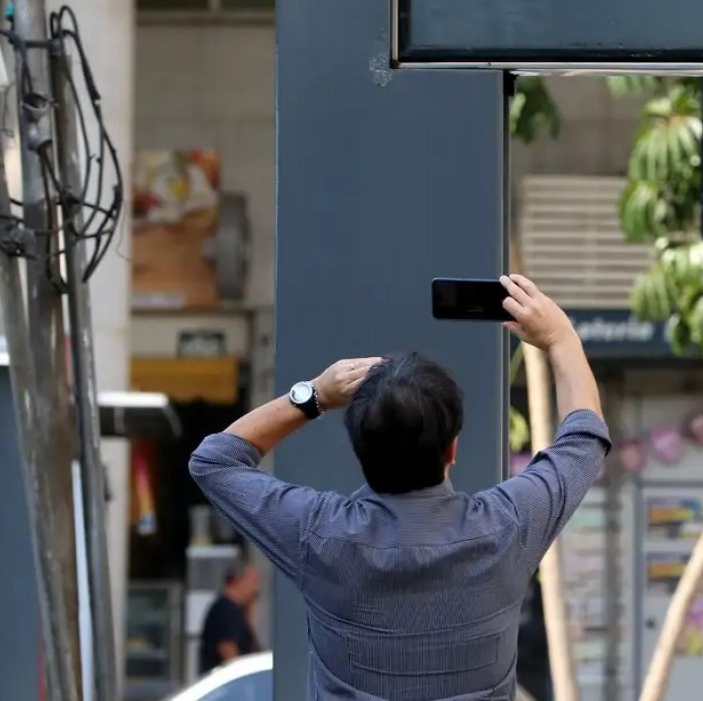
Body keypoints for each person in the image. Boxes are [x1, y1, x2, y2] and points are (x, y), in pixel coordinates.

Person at [189, 275, 608, 700]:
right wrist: (560, 338)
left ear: (360, 449)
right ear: (452, 449)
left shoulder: (318, 534)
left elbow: (215, 460)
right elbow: (585, 439)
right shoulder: (508, 527)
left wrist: (314, 396)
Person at [197, 557, 261, 674]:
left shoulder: (236, 610)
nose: (256, 588)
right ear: (238, 580)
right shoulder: (225, 609)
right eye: (253, 582)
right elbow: (227, 649)